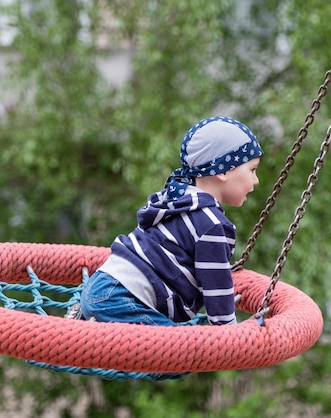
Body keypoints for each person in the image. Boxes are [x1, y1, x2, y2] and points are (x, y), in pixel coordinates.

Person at [79, 115, 263, 326]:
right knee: (179, 351)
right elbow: (217, 294)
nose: (256, 180)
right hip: (122, 300)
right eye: (252, 170)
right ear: (223, 170)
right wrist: (236, 337)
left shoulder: (177, 200)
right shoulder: (212, 225)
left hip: (101, 286)